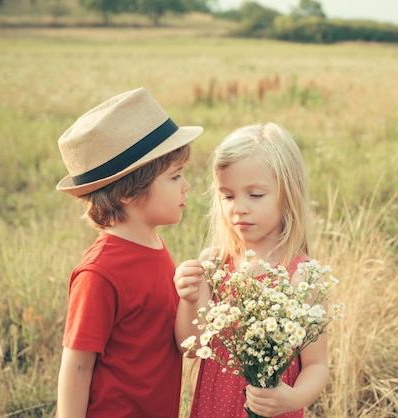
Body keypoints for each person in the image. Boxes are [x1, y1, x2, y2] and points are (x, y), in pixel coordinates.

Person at [55, 87, 203, 418]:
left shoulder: (154, 245)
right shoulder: (100, 273)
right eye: (175, 176)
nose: (186, 185)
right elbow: (77, 366)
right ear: (129, 192)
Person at [174, 123, 329, 418]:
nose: (239, 208)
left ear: (288, 195)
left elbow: (317, 365)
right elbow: (191, 346)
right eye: (228, 196)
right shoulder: (215, 265)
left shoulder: (303, 276)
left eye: (255, 195)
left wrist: (292, 398)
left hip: (272, 409)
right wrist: (189, 298)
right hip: (213, 406)